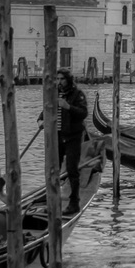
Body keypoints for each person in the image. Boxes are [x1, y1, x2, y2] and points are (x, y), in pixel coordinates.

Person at [38, 68, 88, 216]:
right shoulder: (53, 94)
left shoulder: (78, 95)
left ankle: (74, 203)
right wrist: (40, 120)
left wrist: (68, 107)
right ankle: (53, 203)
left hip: (73, 137)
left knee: (72, 170)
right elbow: (45, 110)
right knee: (53, 170)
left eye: (62, 79)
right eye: (57, 79)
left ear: (68, 80)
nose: (59, 82)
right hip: (56, 137)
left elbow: (83, 113)